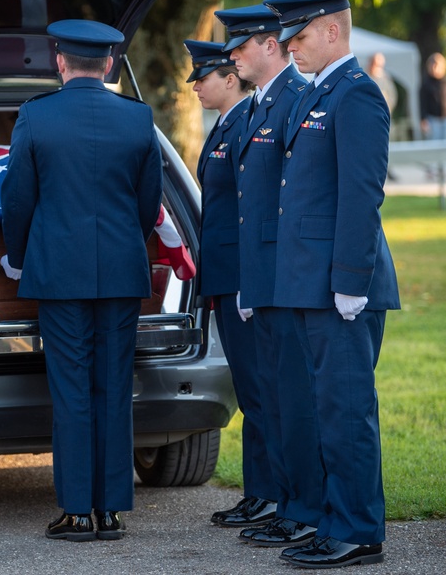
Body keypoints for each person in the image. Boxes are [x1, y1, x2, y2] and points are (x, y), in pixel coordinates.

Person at [0, 19, 162, 542]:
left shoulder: (35, 117)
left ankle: (75, 512)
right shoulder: (138, 119)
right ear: (110, 64)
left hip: (58, 275)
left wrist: (19, 258)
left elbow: (18, 199)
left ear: (60, 63)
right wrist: (121, 247)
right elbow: (148, 206)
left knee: (71, 392)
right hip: (119, 273)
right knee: (113, 388)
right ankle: (110, 510)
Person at [261, 0, 400, 569]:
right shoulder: (316, 94)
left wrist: (351, 280)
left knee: (345, 412)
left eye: (299, 37)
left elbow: (361, 196)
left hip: (342, 284)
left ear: (333, 32)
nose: (291, 48)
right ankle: (332, 519)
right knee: (323, 409)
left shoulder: (356, 96)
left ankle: (358, 530)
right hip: (310, 281)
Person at [215, 4, 324, 549]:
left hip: (288, 277)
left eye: (242, 45)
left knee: (294, 399)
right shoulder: (263, 104)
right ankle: (289, 502)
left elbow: (293, 201)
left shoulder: (295, 98)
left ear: (271, 45)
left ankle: (303, 507)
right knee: (277, 399)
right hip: (262, 277)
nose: (232, 55)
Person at [183, 38, 275, 530]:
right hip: (226, 279)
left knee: (259, 391)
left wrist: (245, 285)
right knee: (250, 388)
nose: (196, 87)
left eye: (203, 78)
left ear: (229, 78)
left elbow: (248, 212)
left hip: (242, 280)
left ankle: (271, 493)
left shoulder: (246, 125)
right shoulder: (227, 126)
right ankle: (259, 491)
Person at [419, 52, 446, 141]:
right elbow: (423, 103)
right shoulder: (426, 84)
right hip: (432, 119)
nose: (435, 68)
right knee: (434, 143)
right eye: (432, 65)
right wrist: (423, 119)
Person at [367, 53, 400, 139]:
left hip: (383, 114)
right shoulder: (364, 77)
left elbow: (392, 97)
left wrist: (386, 109)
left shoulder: (386, 79)